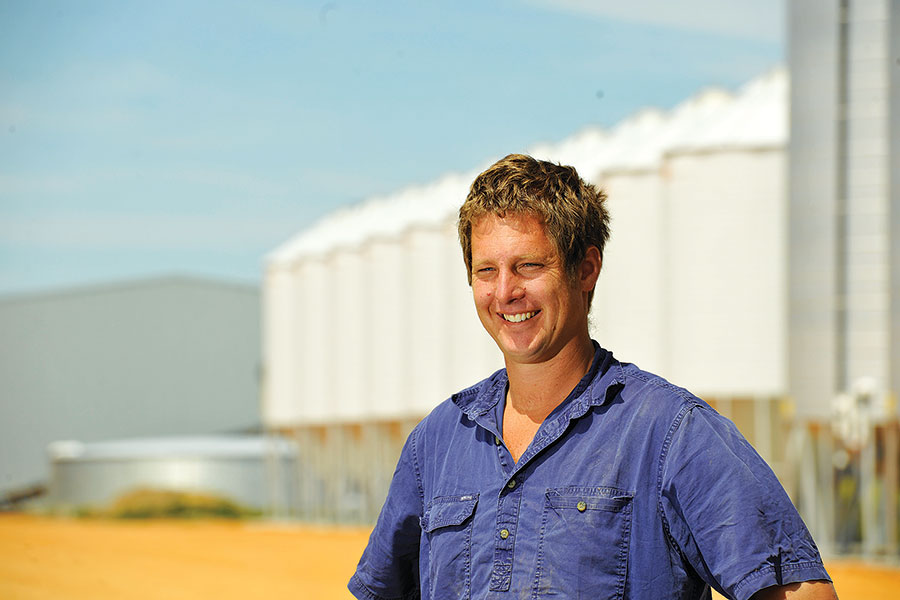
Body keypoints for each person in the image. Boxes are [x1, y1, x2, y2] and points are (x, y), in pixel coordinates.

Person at [349, 154, 837, 600]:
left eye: (528, 266)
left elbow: (805, 595)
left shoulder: (668, 432)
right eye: (486, 271)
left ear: (586, 269)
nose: (505, 292)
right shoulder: (436, 443)